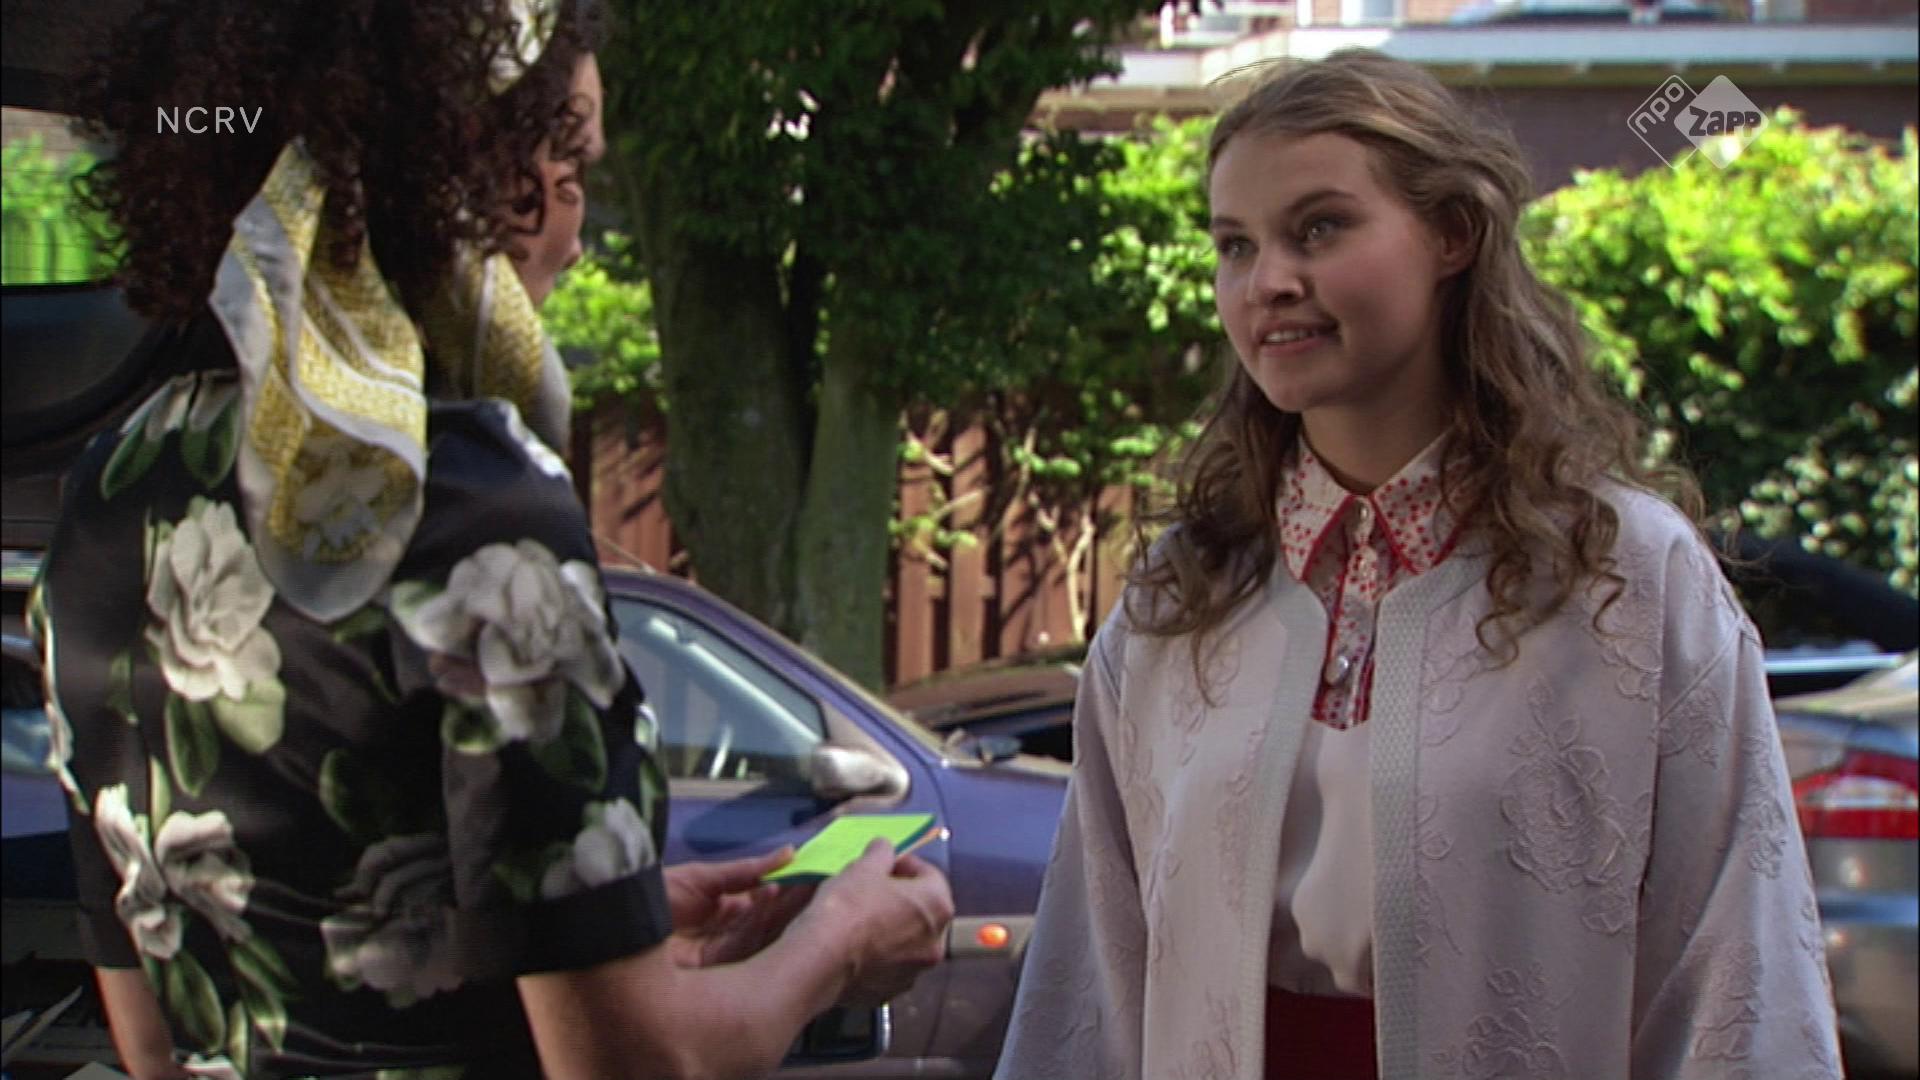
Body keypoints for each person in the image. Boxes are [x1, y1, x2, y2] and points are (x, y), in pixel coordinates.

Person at [35, 1, 953, 1077]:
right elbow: (638, 1067)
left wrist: (609, 924)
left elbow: (157, 1034)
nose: (572, 225)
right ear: (482, 182)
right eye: (569, 171)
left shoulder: (114, 485)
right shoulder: (477, 508)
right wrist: (837, 943)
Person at [993, 49, 1840, 1080]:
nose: (1269, 281)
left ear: (1452, 234)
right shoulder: (1181, 601)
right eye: (1236, 244)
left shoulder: (1626, 580)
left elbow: (1738, 971)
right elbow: (1093, 979)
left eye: (1319, 228)